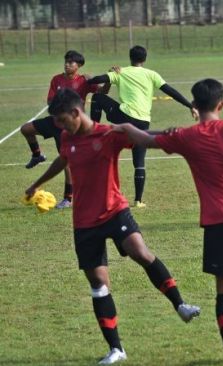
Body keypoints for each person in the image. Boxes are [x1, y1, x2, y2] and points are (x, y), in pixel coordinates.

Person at [111, 79, 223, 366]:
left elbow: (145, 139)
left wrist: (123, 127)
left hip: (221, 219)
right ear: (221, 104)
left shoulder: (186, 137)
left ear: (194, 106)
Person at [24, 88, 200, 365]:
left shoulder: (108, 134)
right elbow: (63, 159)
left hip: (114, 210)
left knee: (139, 251)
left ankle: (181, 305)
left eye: (61, 120)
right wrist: (38, 183)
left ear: (75, 113)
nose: (58, 126)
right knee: (98, 283)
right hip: (84, 221)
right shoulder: (68, 136)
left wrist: (170, 133)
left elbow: (144, 138)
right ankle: (116, 348)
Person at [86, 45, 197, 207]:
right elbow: (171, 91)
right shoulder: (152, 74)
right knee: (139, 161)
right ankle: (138, 200)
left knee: (97, 97)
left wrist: (88, 79)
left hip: (124, 116)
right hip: (143, 121)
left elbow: (99, 80)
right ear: (144, 60)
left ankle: (92, 131)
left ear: (130, 58)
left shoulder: (121, 72)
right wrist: (189, 106)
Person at [20, 50, 109, 208]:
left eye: (71, 62)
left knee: (66, 162)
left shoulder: (85, 80)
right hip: (55, 120)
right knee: (26, 129)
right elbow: (49, 101)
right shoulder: (57, 79)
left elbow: (103, 91)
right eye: (66, 61)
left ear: (79, 66)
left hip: (69, 126)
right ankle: (37, 155)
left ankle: (68, 198)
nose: (67, 65)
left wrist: (109, 79)